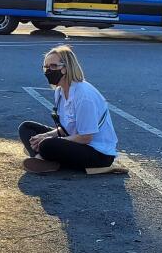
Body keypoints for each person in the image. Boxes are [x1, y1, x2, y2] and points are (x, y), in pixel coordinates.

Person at [19, 45, 119, 173]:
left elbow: (86, 137)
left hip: (97, 153)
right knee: (26, 128)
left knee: (47, 145)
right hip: (75, 140)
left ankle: (42, 157)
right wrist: (46, 135)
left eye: (53, 66)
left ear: (66, 68)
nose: (48, 70)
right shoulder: (60, 91)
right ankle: (46, 158)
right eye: (46, 67)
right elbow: (67, 128)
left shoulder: (84, 96)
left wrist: (52, 140)